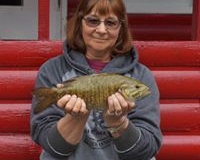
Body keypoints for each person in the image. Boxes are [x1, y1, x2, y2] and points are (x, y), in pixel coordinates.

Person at [30, 0, 162, 159]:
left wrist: (117, 122)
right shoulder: (52, 70)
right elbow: (54, 149)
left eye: (111, 22)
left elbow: (146, 150)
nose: (101, 30)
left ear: (121, 28)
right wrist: (75, 118)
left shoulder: (141, 76)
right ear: (80, 23)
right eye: (93, 21)